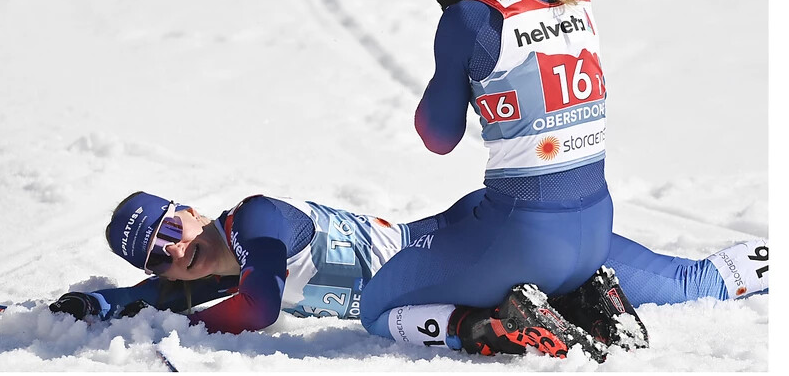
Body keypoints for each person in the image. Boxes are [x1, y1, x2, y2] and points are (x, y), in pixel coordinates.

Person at [353, 0, 759, 361]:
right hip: (593, 233)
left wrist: (454, 54)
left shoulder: (469, 18)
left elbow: (438, 137)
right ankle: (584, 298)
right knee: (473, 205)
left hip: (519, 242)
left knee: (376, 307)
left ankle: (494, 325)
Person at [50, 189, 768, 343]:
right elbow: (157, 291)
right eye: (158, 252)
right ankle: (575, 296)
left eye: (171, 227)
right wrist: (103, 304)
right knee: (692, 282)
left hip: (450, 252)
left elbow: (261, 304)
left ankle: (502, 318)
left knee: (382, 315)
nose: (173, 248)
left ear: (193, 208)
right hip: (475, 254)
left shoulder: (257, 219)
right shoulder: (196, 270)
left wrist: (196, 324)